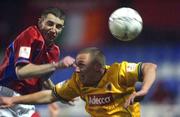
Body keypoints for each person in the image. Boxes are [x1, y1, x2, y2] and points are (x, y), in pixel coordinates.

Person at [0, 47, 157, 117]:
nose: (76, 70)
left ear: (97, 67)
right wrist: (14, 99)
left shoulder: (118, 72)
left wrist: (144, 89)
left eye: (81, 65)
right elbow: (50, 95)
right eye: (76, 65)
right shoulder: (77, 82)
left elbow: (150, 67)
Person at [0, 7, 75, 117]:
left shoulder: (55, 51)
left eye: (58, 26)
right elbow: (20, 72)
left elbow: (43, 78)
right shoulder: (31, 34)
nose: (54, 30)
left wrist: (59, 94)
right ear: (40, 22)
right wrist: (57, 65)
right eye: (50, 24)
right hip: (5, 95)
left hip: (26, 101)